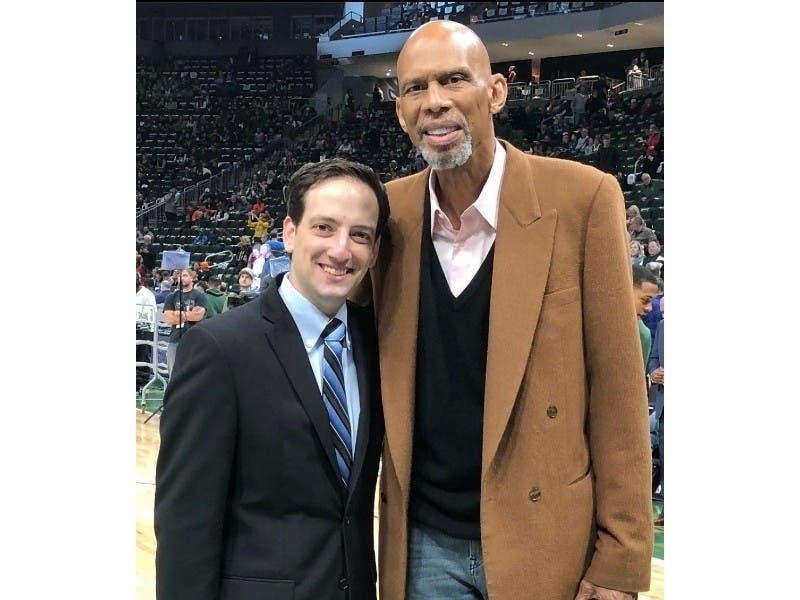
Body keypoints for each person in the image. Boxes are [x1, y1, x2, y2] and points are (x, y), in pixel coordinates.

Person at [365, 20, 652, 600]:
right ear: (400, 111)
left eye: (453, 80)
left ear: (496, 91)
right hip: (422, 543)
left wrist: (621, 555)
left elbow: (618, 388)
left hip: (547, 536)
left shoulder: (583, 197)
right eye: (415, 88)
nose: (435, 102)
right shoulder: (386, 213)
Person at [154, 158, 389, 600]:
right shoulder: (219, 349)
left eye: (360, 234)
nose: (341, 250)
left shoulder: (378, 343)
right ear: (289, 232)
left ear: (374, 250)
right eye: (324, 227)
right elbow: (186, 523)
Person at [162, 268, 206, 375]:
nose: (182, 278)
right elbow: (168, 319)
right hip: (175, 339)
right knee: (173, 374)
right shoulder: (171, 297)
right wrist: (189, 314)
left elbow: (198, 316)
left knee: (192, 374)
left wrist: (177, 314)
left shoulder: (200, 296)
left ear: (192, 278)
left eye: (185, 275)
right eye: (180, 276)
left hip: (194, 340)